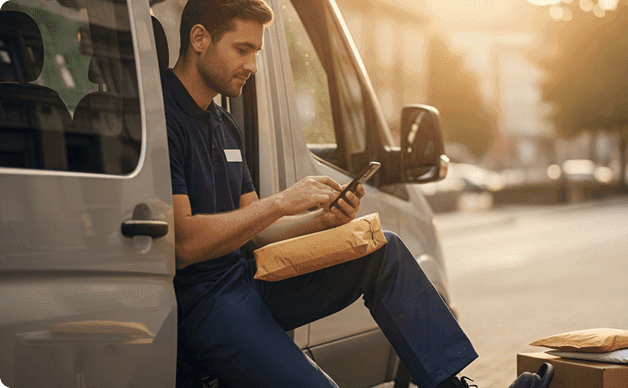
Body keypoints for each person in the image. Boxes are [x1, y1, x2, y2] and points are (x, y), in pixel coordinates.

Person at [162, 0, 481, 387]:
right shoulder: (162, 115)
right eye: (242, 49)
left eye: (256, 53)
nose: (252, 66)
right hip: (205, 301)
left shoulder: (224, 125)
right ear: (199, 39)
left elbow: (256, 234)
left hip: (247, 278)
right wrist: (280, 202)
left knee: (382, 248)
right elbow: (186, 245)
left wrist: (321, 221)